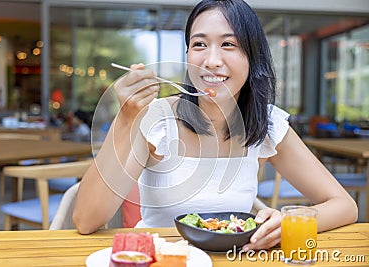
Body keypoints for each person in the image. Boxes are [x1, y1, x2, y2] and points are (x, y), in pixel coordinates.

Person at [73, 0, 357, 251]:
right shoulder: (156, 119)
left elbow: (344, 206)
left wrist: (288, 222)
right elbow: (86, 220)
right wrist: (125, 118)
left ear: (252, 57)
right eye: (199, 44)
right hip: (161, 259)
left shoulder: (266, 124)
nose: (211, 61)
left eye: (228, 44)